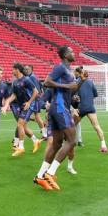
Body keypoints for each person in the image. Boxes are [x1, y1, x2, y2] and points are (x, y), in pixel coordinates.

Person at [34, 46, 85, 191]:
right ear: (65, 54)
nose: (74, 53)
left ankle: (39, 176)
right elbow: (46, 82)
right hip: (61, 108)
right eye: (71, 51)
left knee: (56, 144)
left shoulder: (68, 71)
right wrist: (66, 85)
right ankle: (50, 173)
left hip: (58, 109)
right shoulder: (61, 68)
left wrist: (81, 80)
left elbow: (70, 89)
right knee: (71, 140)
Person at [3, 62, 40, 157]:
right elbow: (14, 95)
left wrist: (29, 102)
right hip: (21, 106)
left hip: (28, 106)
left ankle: (21, 147)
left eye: (13, 69)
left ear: (17, 69)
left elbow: (35, 92)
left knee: (19, 124)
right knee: (23, 126)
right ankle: (36, 141)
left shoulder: (26, 80)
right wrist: (6, 103)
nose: (12, 71)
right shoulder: (15, 82)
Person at [72, 66, 107, 153]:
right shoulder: (90, 82)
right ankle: (103, 146)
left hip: (81, 108)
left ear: (78, 73)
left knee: (71, 125)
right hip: (90, 107)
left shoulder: (77, 82)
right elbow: (95, 94)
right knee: (97, 126)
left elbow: (74, 96)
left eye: (74, 72)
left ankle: (68, 143)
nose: (74, 73)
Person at [25, 65, 47, 139]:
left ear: (31, 70)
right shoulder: (33, 76)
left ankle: (17, 138)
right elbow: (40, 85)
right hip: (35, 100)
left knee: (24, 117)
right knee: (37, 117)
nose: (26, 70)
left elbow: (36, 88)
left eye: (27, 69)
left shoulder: (32, 77)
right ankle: (45, 134)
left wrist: (37, 94)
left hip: (34, 101)